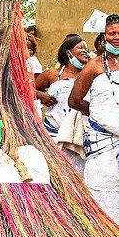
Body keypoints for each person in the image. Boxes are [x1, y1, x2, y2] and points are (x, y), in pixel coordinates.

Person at [69, 14, 119, 237]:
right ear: (104, 37)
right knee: (103, 194)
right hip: (103, 146)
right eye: (111, 33)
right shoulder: (93, 66)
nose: (116, 37)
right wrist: (101, 116)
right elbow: (74, 100)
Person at [36, 34, 90, 173]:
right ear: (68, 53)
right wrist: (40, 95)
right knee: (55, 172)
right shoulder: (52, 75)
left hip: (78, 136)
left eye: (87, 48)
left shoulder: (90, 75)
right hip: (53, 133)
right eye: (80, 47)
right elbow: (26, 88)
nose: (85, 51)